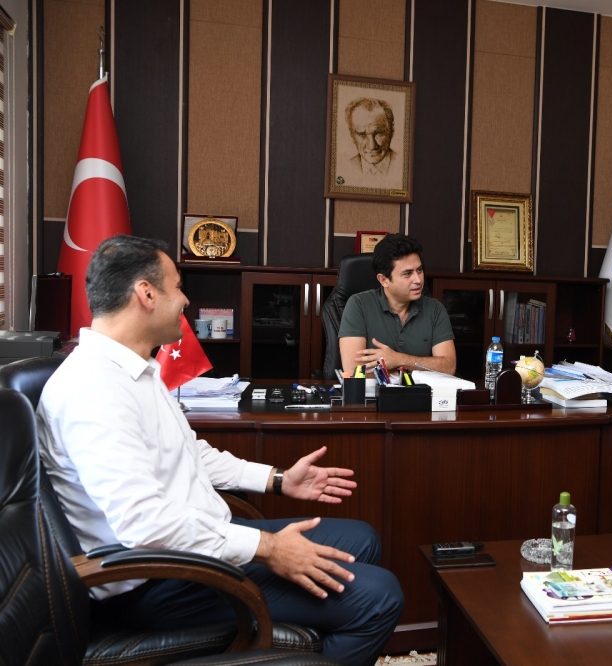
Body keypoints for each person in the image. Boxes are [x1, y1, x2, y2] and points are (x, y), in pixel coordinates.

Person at [36, 235, 403, 666]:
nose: (186, 300)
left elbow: (190, 453)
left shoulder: (135, 369)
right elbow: (144, 526)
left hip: (194, 540)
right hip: (157, 580)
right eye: (178, 287)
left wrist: (278, 480)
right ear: (146, 294)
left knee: (362, 539)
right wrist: (268, 547)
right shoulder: (93, 388)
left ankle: (299, 644)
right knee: (380, 597)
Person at [339, 234, 457, 376]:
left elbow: (448, 367)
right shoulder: (358, 305)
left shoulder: (435, 309)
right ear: (383, 280)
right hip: (375, 391)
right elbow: (354, 369)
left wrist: (398, 359)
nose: (418, 280)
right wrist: (417, 369)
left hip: (421, 391)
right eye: (407, 274)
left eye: (419, 270)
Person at [343, 97, 402, 187]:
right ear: (352, 135)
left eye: (379, 133)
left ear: (391, 131)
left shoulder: (403, 166)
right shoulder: (344, 167)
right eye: (362, 134)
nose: (372, 146)